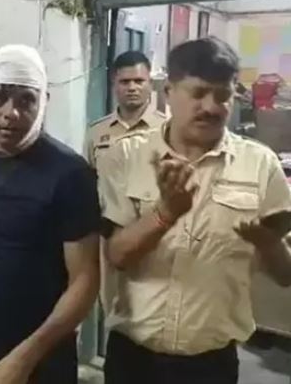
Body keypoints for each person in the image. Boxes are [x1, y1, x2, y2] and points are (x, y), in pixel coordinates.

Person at [100, 37, 291, 384]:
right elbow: (117, 256)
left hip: (211, 364)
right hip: (133, 360)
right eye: (199, 93)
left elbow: (285, 274)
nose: (211, 107)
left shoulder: (261, 165)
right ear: (168, 92)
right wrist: (164, 215)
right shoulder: (127, 156)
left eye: (223, 95)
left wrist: (267, 242)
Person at [0, 45, 101, 384]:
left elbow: (85, 281)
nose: (11, 113)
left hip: (39, 353)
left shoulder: (69, 174)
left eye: (27, 100)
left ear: (44, 102)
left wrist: (24, 359)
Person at [86, 51, 166, 311]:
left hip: (154, 233)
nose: (132, 87)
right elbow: (88, 183)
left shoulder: (168, 130)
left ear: (150, 84)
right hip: (108, 234)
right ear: (114, 84)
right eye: (125, 82)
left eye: (139, 81)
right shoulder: (97, 132)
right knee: (111, 304)